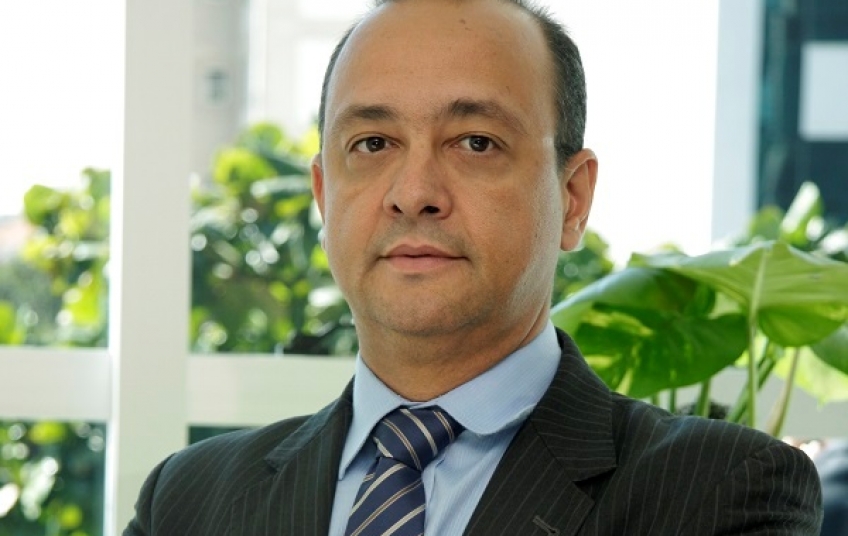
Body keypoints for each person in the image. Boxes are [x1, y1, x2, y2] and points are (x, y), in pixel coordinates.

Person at [124, 0, 823, 534]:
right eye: (372, 143)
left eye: (476, 142)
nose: (414, 193)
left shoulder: (721, 492)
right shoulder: (189, 500)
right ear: (323, 194)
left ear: (573, 198)